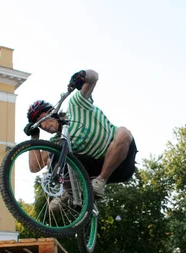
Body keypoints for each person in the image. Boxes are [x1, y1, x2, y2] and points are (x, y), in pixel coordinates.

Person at [24, 69, 138, 208]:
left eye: (44, 119)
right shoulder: (57, 141)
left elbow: (94, 77)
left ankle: (100, 182)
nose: (44, 126)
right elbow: (35, 167)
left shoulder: (76, 105)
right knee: (55, 156)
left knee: (123, 132)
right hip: (94, 167)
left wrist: (82, 75)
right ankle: (69, 193)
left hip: (121, 162)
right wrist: (34, 137)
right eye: (40, 125)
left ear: (52, 112)